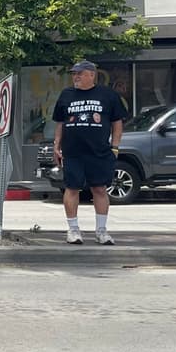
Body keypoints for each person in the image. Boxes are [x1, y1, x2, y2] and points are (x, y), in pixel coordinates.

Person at [52, 60, 127, 245]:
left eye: (79, 73)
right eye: (74, 74)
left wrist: (115, 147)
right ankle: (73, 230)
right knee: (72, 188)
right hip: (73, 152)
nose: (75, 77)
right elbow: (60, 123)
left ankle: (101, 231)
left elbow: (117, 123)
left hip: (99, 151)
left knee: (100, 188)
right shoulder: (66, 95)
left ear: (91, 75)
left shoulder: (107, 95)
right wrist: (56, 145)